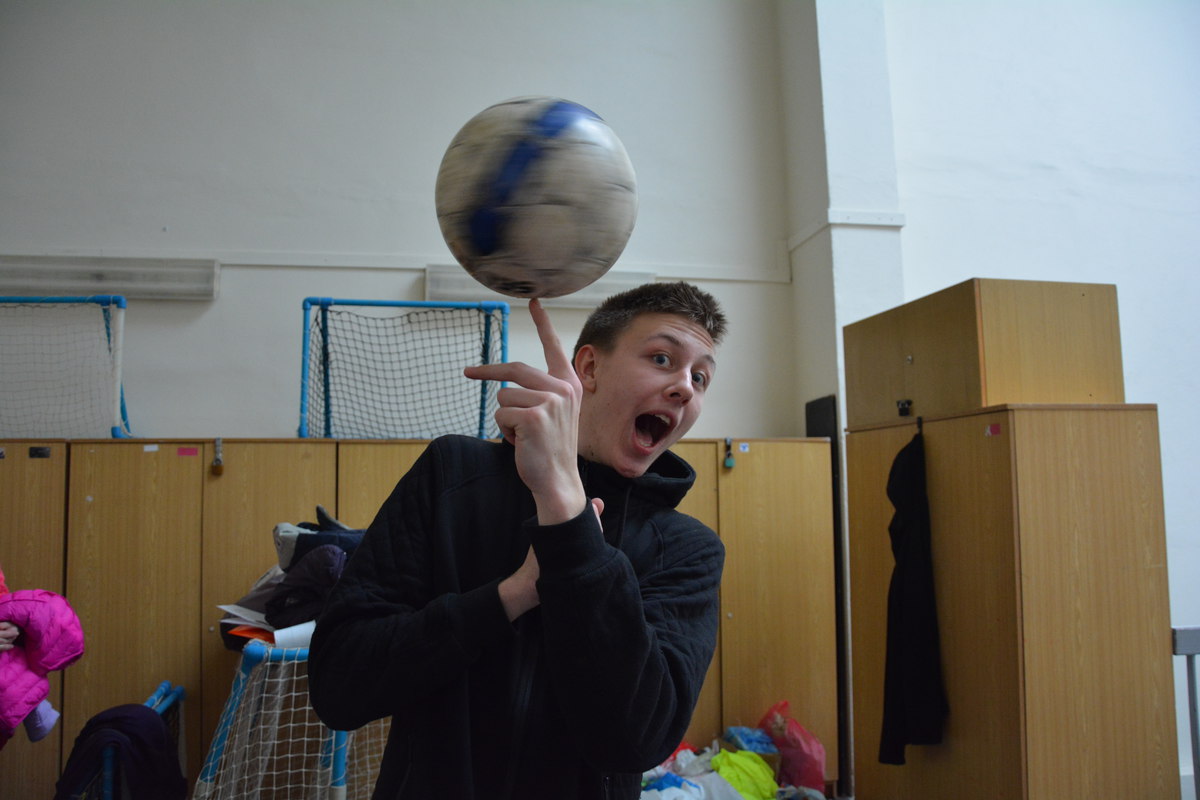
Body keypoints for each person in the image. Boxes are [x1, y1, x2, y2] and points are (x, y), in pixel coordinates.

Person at [309, 281, 728, 799]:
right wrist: (509, 596)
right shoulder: (452, 474)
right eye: (662, 358)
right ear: (589, 368)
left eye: (700, 377)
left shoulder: (688, 550)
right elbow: (339, 687)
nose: (685, 386)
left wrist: (568, 520)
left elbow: (634, 740)